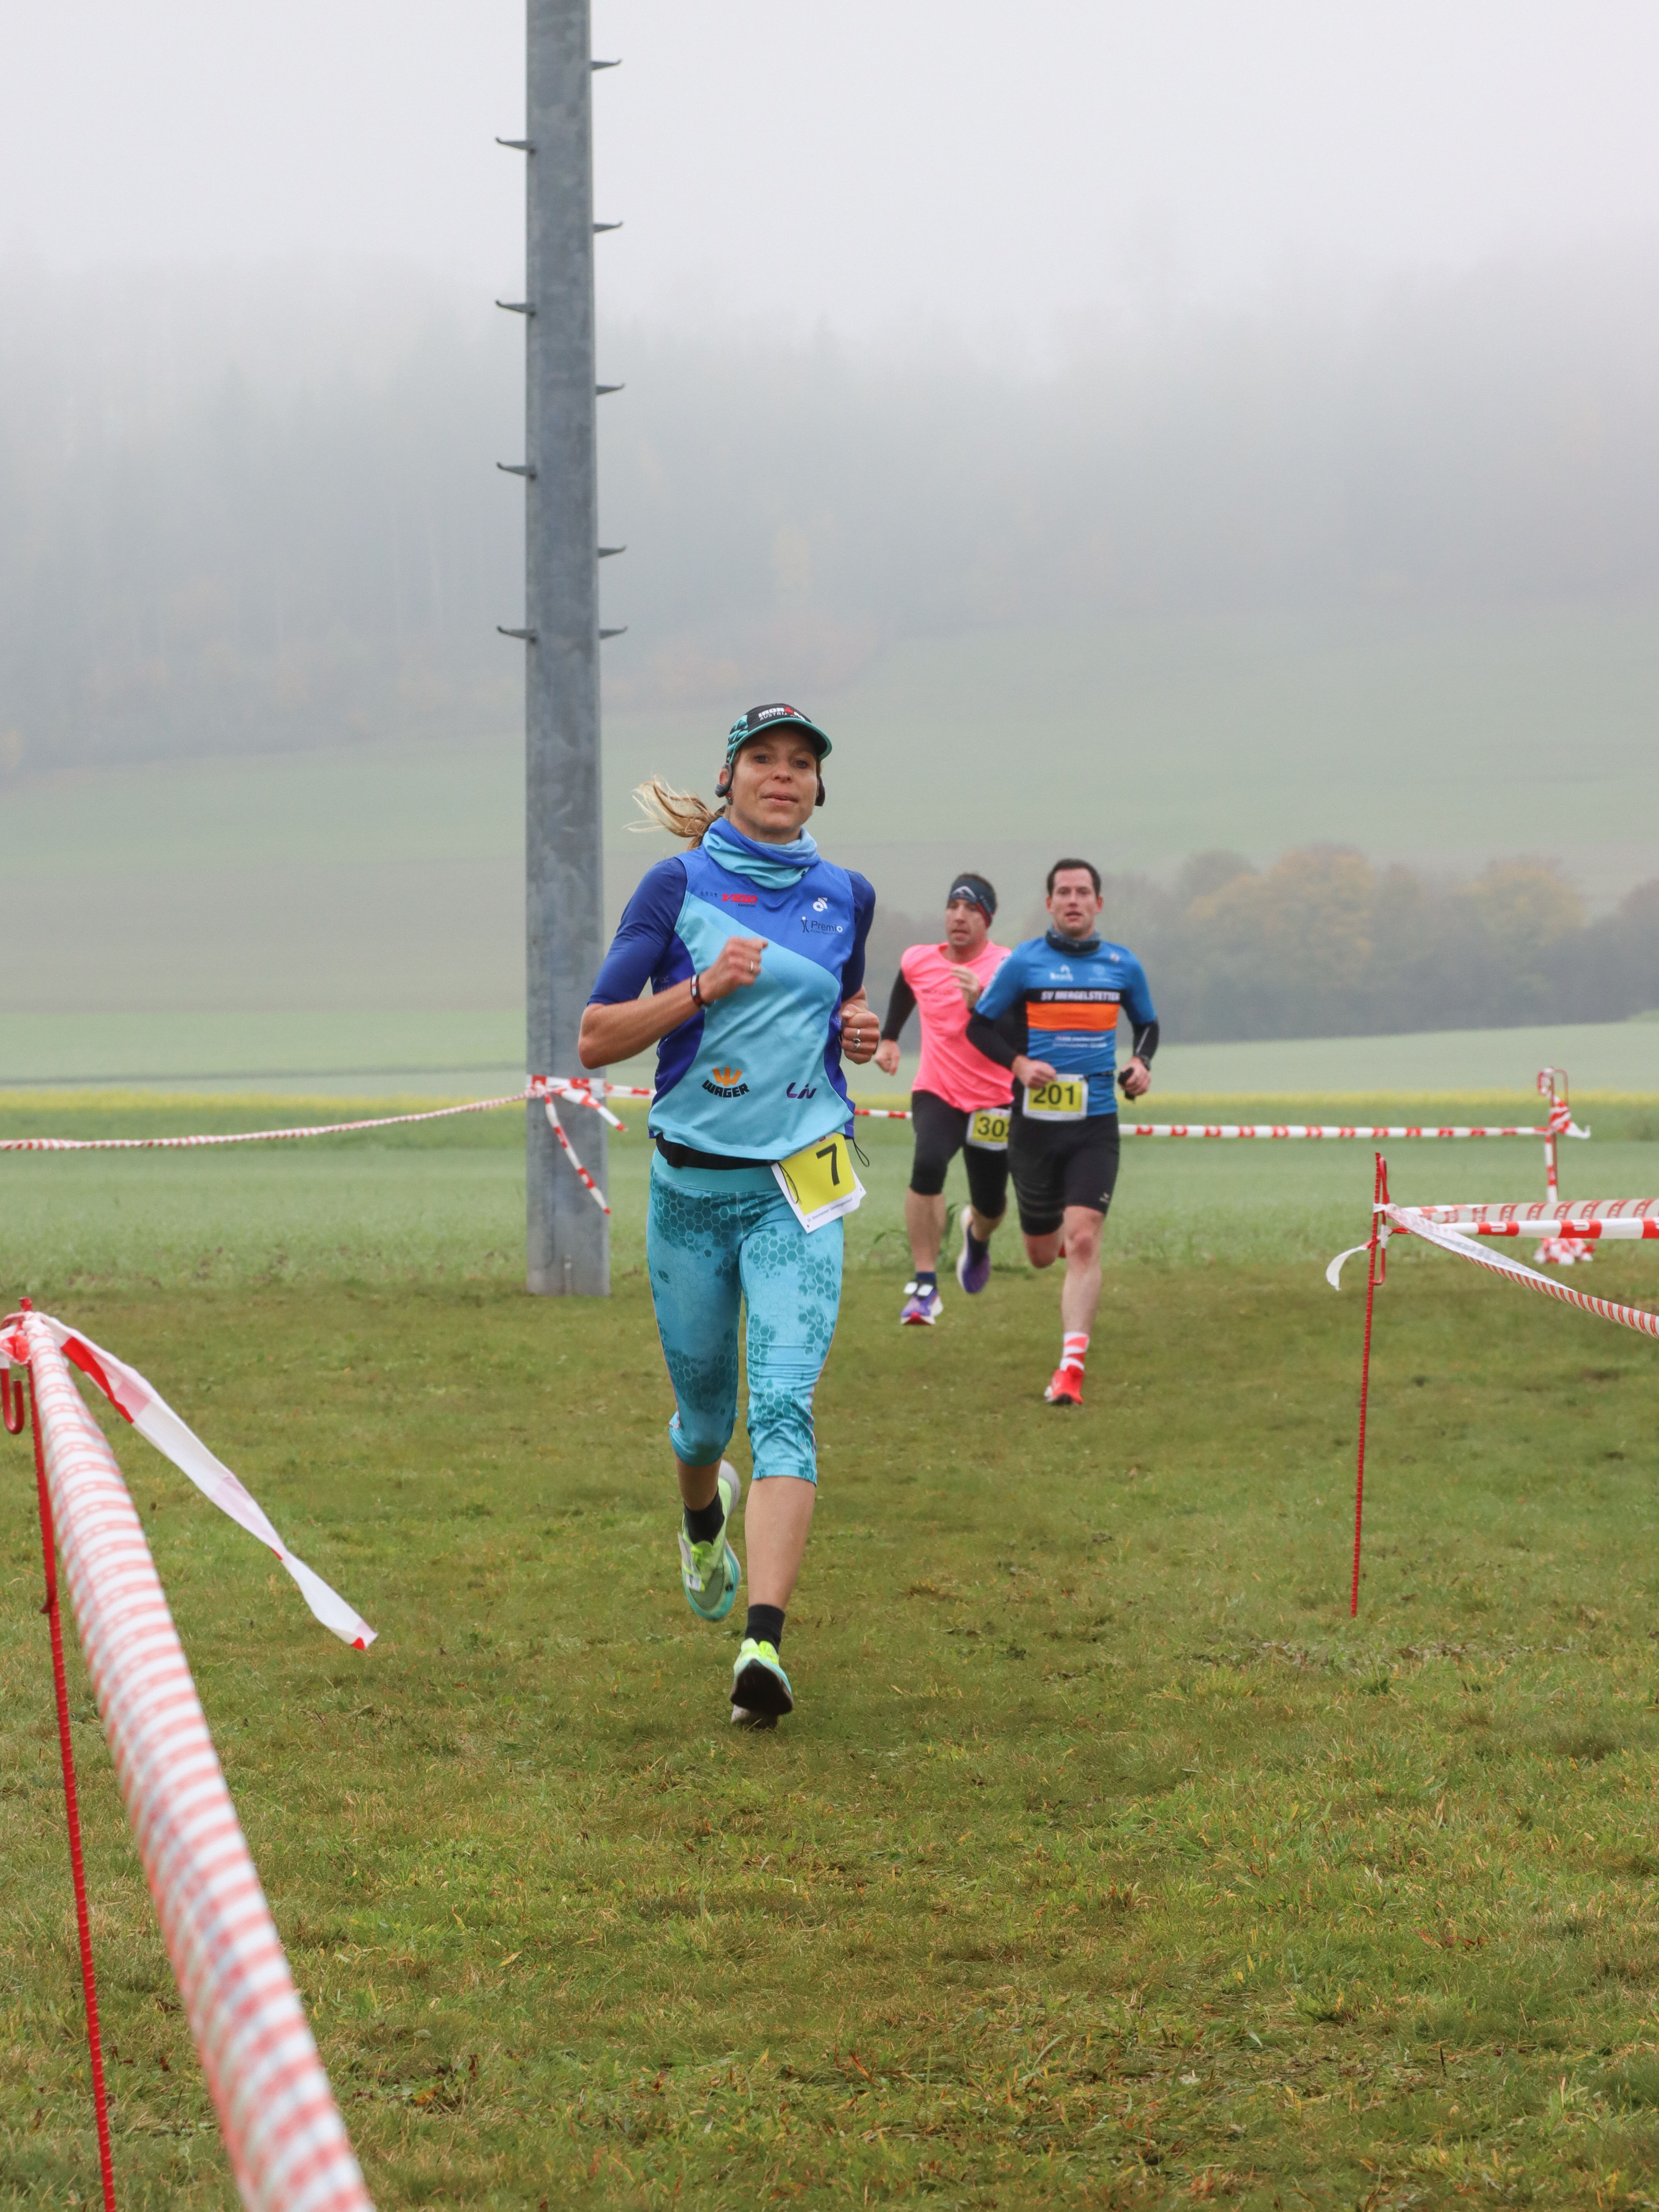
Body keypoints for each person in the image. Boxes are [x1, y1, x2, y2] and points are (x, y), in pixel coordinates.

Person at [578, 703, 879, 1727]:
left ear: (819, 787)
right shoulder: (677, 885)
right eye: (763, 759)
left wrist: (857, 1026)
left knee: (785, 1406)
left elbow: (837, 1006)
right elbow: (594, 1037)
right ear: (730, 777)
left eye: (801, 763)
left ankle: (763, 1646)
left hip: (800, 1189)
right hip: (694, 1194)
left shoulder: (848, 896)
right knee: (707, 1419)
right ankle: (702, 1522)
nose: (783, 775)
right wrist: (703, 987)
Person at [966, 858, 1156, 1408]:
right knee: (1041, 1252)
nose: (1074, 901)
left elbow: (1147, 1024)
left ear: (1099, 903)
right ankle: (976, 1230)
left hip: (1095, 1125)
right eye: (1064, 893)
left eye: (1083, 892)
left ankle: (1071, 1369)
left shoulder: (1122, 964)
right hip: (1034, 1129)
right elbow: (979, 1026)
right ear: (1049, 904)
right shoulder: (1026, 962)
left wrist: (1140, 1063)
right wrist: (1019, 1065)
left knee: (1084, 1239)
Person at [873, 874, 1014, 1324]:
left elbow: (1018, 1034)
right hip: (938, 1090)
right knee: (928, 1164)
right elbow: (905, 986)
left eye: (972, 909)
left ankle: (977, 1237)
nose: (959, 916)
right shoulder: (919, 959)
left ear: (987, 919)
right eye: (954, 906)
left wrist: (981, 1003)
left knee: (991, 1204)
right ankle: (925, 1286)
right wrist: (890, 1038)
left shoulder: (1007, 966)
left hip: (994, 1100)